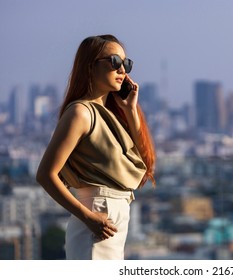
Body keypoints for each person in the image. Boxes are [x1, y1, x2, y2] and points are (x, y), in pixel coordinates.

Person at [36, 34, 156, 260]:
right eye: (114, 62)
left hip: (115, 216)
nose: (123, 70)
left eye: (126, 63)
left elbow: (142, 160)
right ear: (90, 67)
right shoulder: (81, 112)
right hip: (96, 215)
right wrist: (88, 217)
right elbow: (45, 174)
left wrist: (130, 110)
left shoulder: (112, 114)